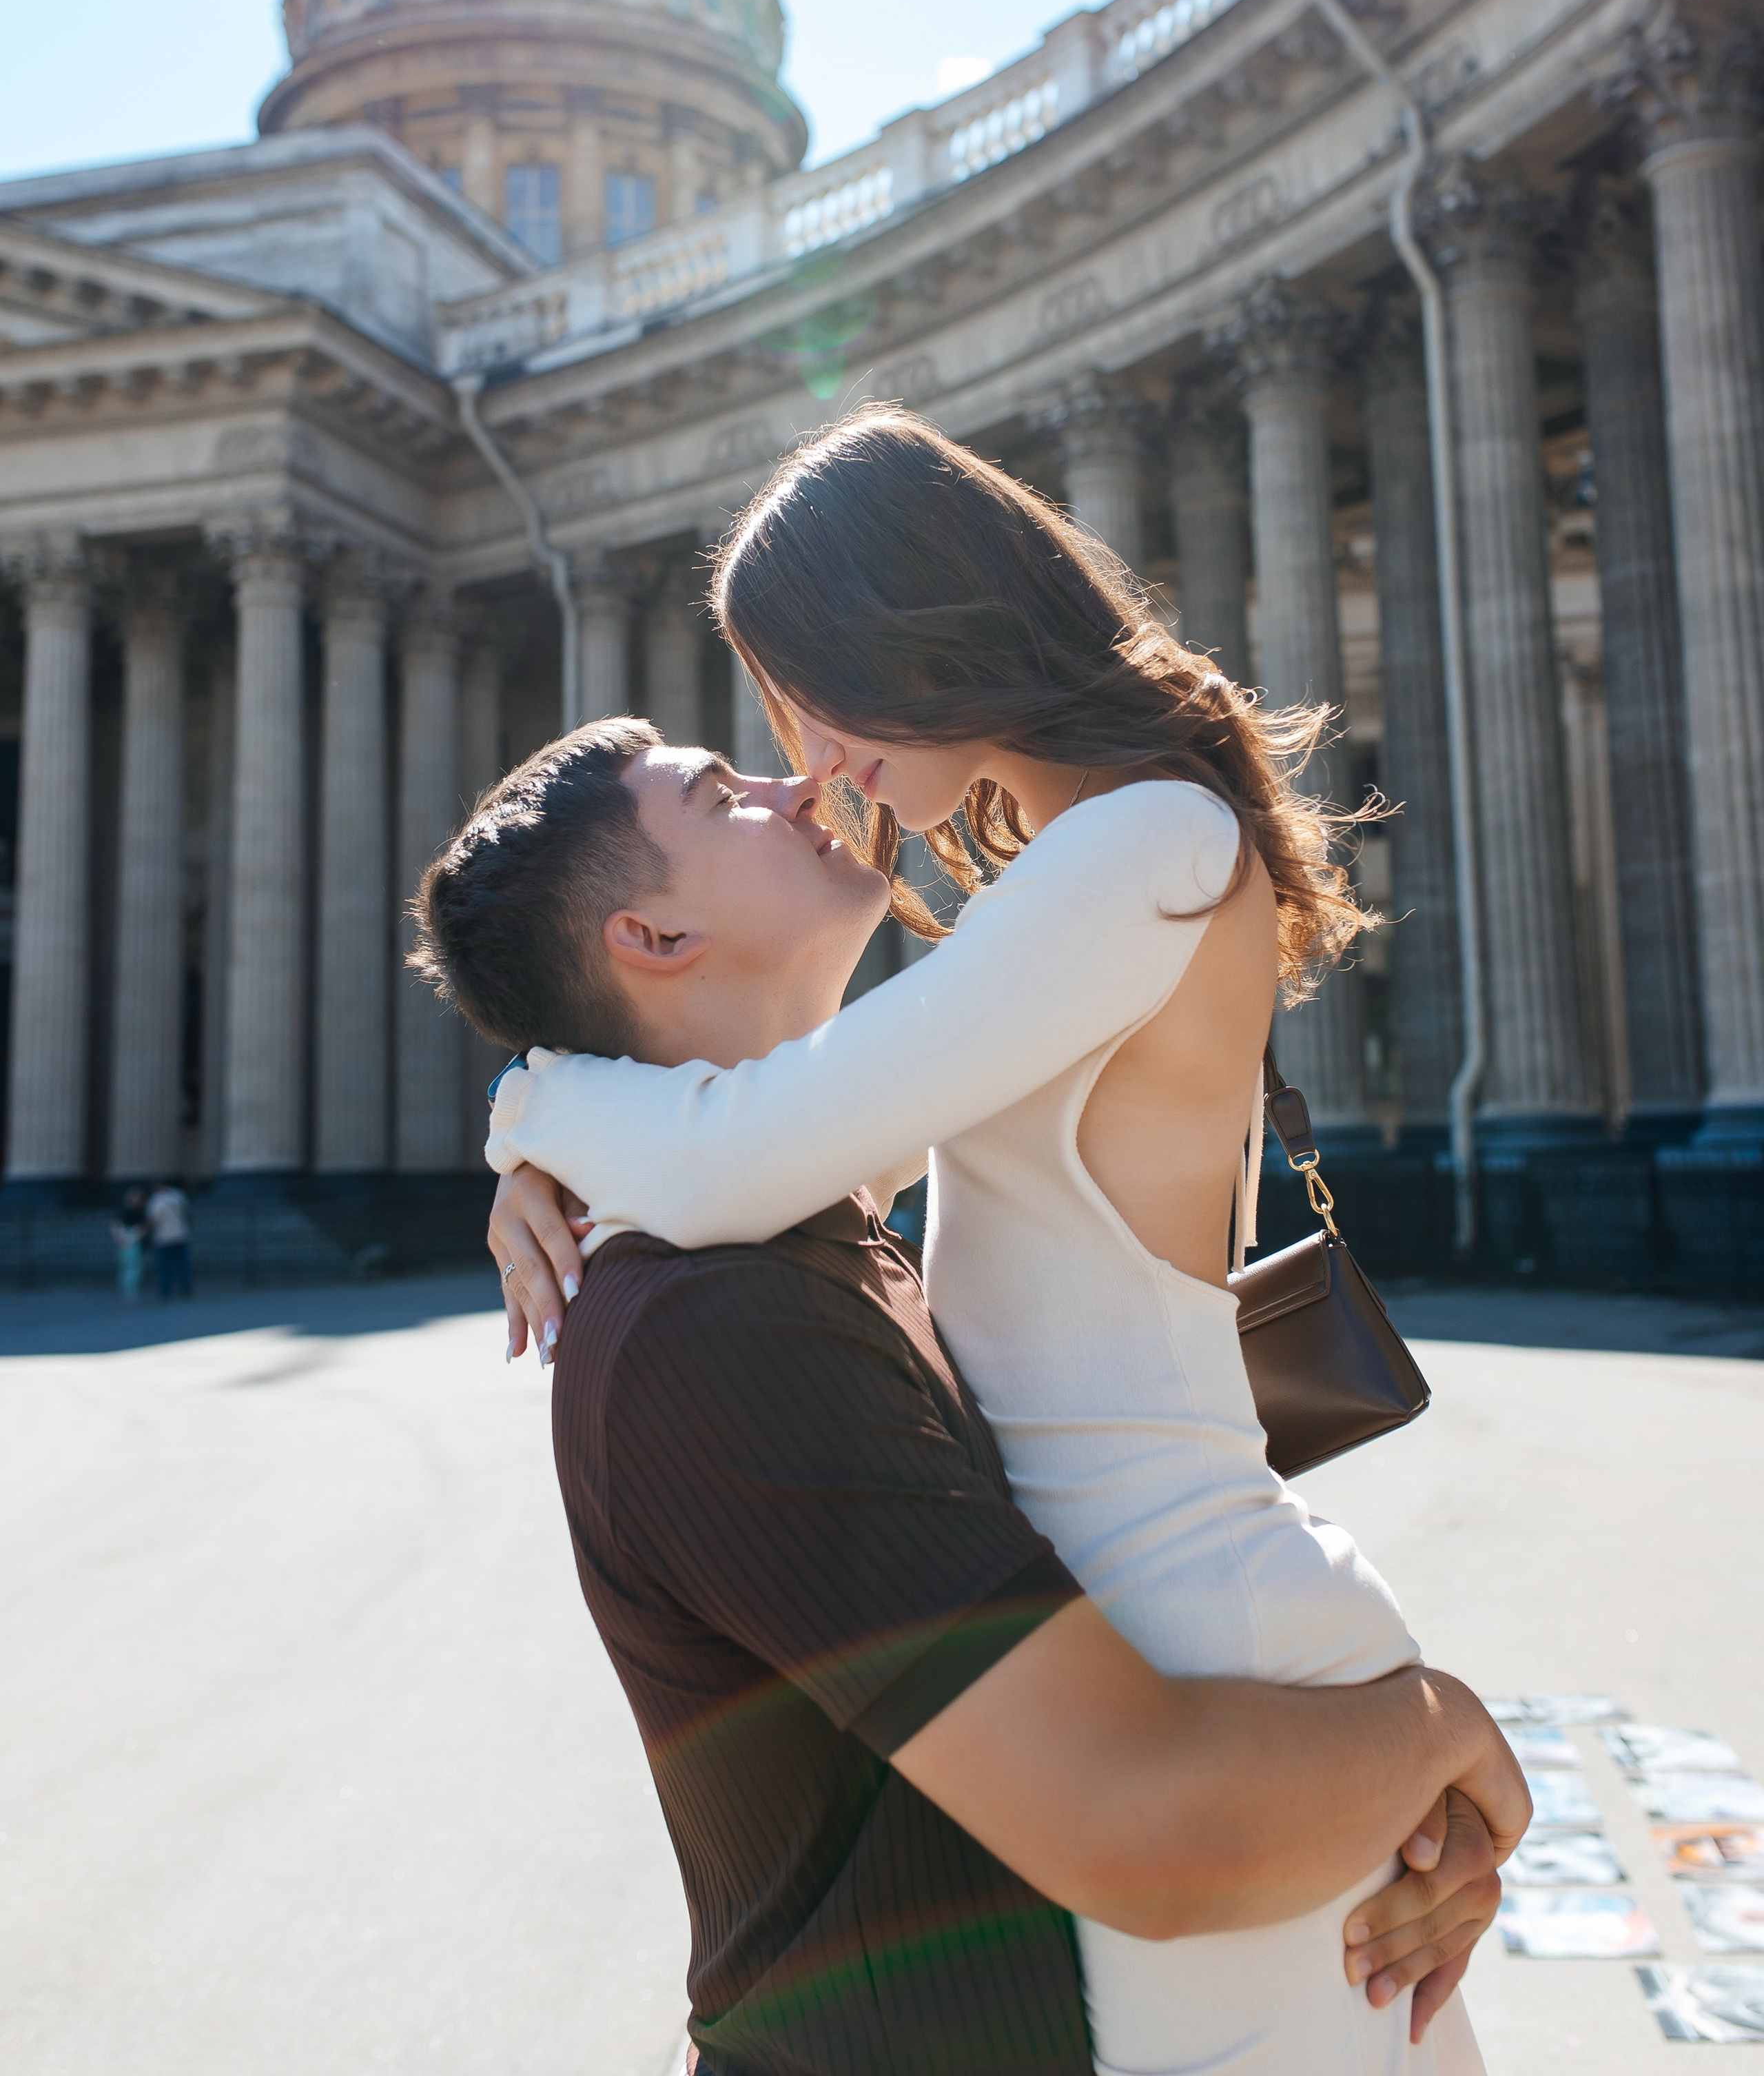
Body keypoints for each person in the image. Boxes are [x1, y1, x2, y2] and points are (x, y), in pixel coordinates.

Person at [480, 407, 1514, 2074]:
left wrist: (533, 1096)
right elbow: (811, 1162)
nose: (807, 753)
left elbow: (747, 1151)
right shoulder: (1088, 859)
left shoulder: (1141, 846)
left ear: (918, 621)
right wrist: (568, 1132)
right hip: (1164, 1611)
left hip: (1187, 1615)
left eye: (808, 684)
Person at [145, 1179, 192, 1300]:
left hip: (164, 1238)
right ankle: (186, 1288)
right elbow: (187, 1212)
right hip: (181, 1235)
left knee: (165, 1266)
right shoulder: (178, 1195)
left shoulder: (156, 1200)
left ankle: (166, 1290)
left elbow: (153, 1221)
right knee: (183, 1265)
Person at [111, 1185, 149, 1302]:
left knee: (128, 1267)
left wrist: (120, 1238)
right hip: (132, 1242)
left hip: (128, 1241)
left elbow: (116, 1225)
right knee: (132, 1268)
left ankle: (128, 1290)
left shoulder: (126, 1210)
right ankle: (129, 1290)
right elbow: (143, 1228)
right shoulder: (137, 1211)